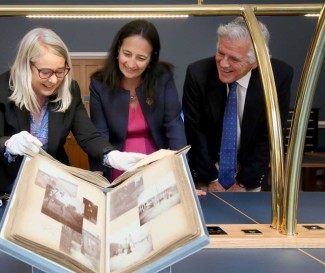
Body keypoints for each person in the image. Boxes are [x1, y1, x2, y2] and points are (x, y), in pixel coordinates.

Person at [0, 27, 146, 193]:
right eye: (45, 72)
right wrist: (9, 144)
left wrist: (112, 156)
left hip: (41, 185)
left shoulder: (69, 90)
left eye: (60, 71)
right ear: (25, 66)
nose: (54, 80)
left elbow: (88, 136)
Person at [182, 17, 293, 192]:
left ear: (256, 62)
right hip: (208, 171)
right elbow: (195, 131)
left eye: (234, 58)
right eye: (220, 53)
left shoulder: (277, 77)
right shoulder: (198, 74)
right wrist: (211, 178)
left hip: (249, 173)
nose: (224, 63)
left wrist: (244, 183)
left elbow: (270, 135)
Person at [89, 19, 187, 181]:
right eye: (126, 54)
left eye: (141, 58)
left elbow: (174, 125)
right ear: (118, 49)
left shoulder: (163, 78)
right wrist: (98, 176)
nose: (131, 64)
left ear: (151, 59)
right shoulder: (99, 84)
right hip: (118, 163)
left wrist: (183, 174)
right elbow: (99, 134)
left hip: (157, 162)